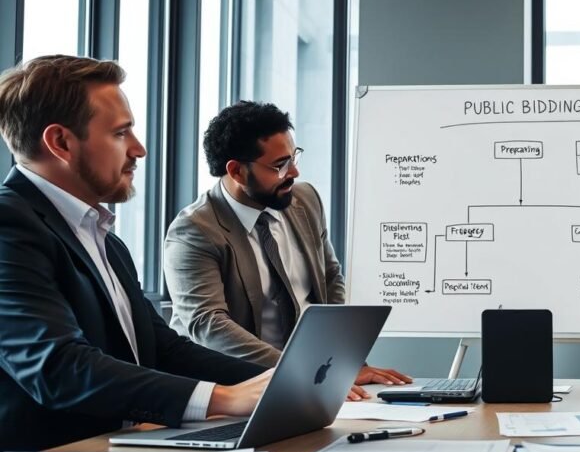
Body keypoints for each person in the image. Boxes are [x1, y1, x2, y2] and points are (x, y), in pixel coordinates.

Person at [0, 56, 272, 452]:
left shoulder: (104, 239)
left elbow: (163, 350)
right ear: (60, 142)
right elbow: (56, 367)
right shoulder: (9, 225)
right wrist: (224, 399)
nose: (139, 149)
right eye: (121, 133)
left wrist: (287, 381)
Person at [164, 101, 410, 400]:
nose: (293, 171)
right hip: (232, 389)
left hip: (311, 381)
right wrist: (302, 370)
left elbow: (330, 277)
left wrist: (339, 363)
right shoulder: (195, 230)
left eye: (293, 157)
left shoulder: (304, 200)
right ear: (237, 171)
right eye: (279, 165)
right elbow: (208, 324)